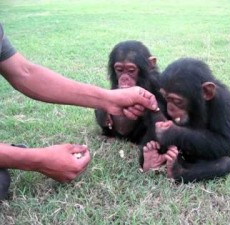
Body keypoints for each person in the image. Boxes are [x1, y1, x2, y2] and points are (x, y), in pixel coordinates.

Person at [0, 24, 158, 200]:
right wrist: (36, 159)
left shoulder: (156, 84)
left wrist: (108, 100)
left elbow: (24, 72)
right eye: (119, 70)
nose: (124, 78)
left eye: (130, 71)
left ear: (149, 66)